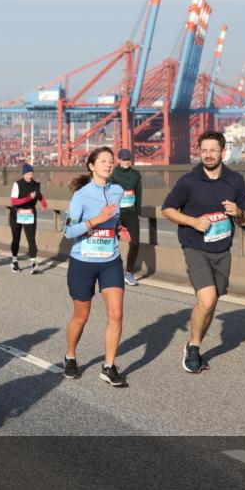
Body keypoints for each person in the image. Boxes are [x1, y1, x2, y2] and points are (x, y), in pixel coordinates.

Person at [162, 131, 245, 374]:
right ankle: (195, 348)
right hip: (195, 247)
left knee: (210, 304)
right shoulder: (188, 181)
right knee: (207, 298)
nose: (208, 155)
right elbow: (167, 209)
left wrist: (238, 212)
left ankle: (192, 342)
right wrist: (192, 221)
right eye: (204, 150)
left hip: (222, 249)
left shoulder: (236, 180)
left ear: (222, 151)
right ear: (199, 152)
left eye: (213, 150)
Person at [62, 146, 130, 387]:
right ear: (91, 166)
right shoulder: (81, 195)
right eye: (103, 161)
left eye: (111, 161)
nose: (109, 165)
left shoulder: (118, 190)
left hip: (110, 260)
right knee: (81, 316)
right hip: (83, 262)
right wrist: (96, 220)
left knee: (116, 314)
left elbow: (115, 217)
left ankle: (108, 366)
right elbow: (68, 230)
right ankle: (70, 355)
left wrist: (118, 228)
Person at [110, 148, 142, 286]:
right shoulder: (113, 175)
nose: (126, 162)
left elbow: (139, 193)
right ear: (118, 160)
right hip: (116, 214)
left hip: (131, 213)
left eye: (128, 159)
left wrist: (138, 211)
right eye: (124, 159)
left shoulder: (136, 175)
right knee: (113, 243)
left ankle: (129, 273)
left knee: (135, 244)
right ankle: (114, 270)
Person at [8, 162, 48, 274]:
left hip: (30, 213)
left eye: (31, 173)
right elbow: (13, 201)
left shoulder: (36, 185)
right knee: (16, 238)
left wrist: (43, 202)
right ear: (23, 174)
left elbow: (39, 195)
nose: (29, 175)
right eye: (27, 173)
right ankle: (14, 260)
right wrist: (29, 197)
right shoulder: (17, 184)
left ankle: (33, 263)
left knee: (31, 239)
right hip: (17, 213)